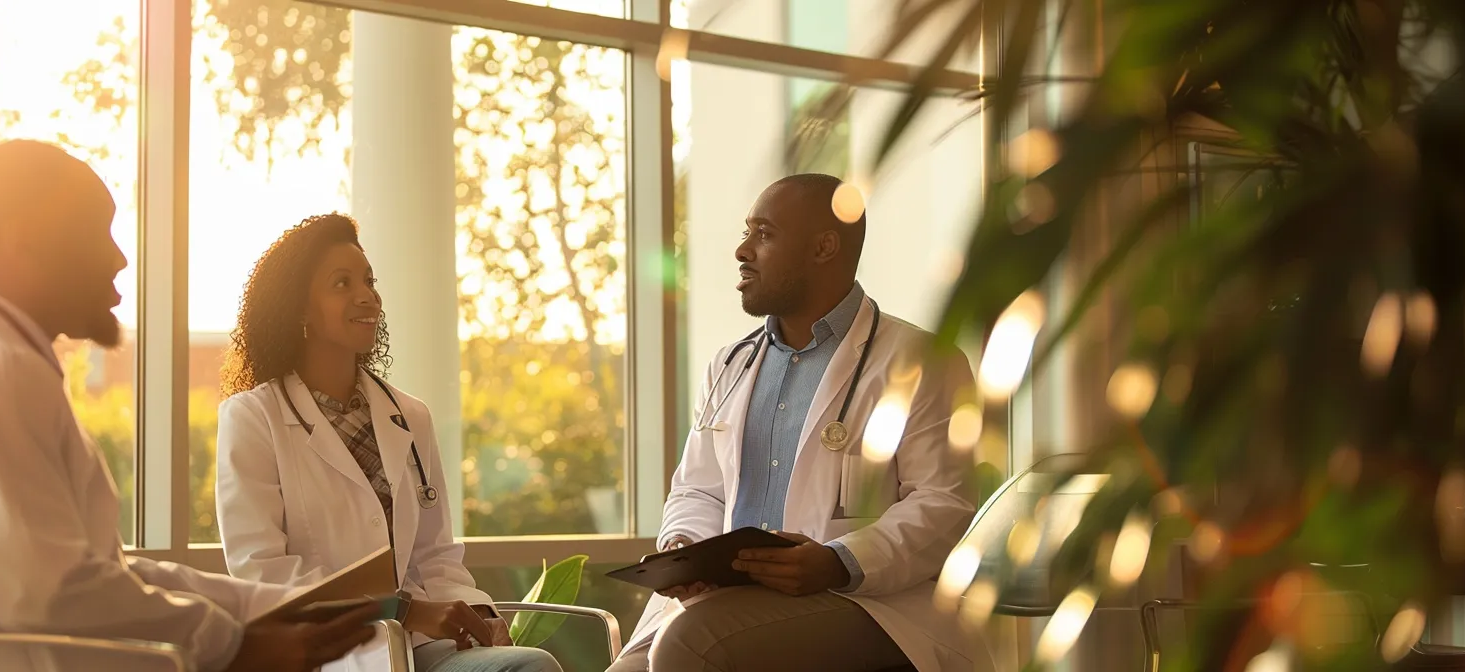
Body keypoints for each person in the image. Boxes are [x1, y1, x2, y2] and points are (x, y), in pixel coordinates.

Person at [0, 139, 378, 672]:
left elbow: (104, 573)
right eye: (93, 232)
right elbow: (55, 594)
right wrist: (234, 646)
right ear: (22, 243)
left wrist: (274, 607)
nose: (119, 258)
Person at [607, 174, 996, 672]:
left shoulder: (922, 361)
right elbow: (698, 490)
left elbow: (945, 503)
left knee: (691, 644)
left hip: (867, 600)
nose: (742, 251)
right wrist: (684, 551)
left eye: (763, 234)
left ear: (824, 247)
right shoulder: (730, 365)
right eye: (746, 233)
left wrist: (838, 560)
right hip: (729, 598)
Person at [214, 213, 562, 672]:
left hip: (418, 649)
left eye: (368, 280)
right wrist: (398, 609)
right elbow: (263, 572)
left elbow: (435, 556)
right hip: (328, 654)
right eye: (342, 283)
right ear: (298, 308)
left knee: (525, 666)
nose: (366, 296)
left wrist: (474, 610)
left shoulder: (409, 416)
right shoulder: (254, 418)